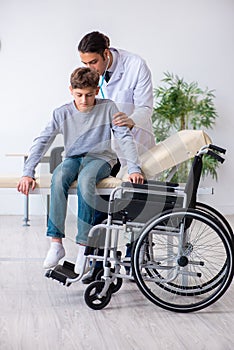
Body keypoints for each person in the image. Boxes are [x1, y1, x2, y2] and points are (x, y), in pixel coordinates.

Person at [17, 67, 144, 275]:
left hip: (101, 158)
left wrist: (134, 168)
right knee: (58, 178)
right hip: (73, 157)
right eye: (79, 95)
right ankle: (56, 244)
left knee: (86, 181)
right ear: (71, 90)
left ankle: (84, 248)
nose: (84, 100)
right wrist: (27, 171)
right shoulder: (62, 112)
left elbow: (124, 137)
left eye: (89, 95)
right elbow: (42, 141)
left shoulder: (108, 108)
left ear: (97, 90)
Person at [78, 31, 156, 157]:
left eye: (93, 62)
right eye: (85, 63)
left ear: (106, 53)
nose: (89, 68)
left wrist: (131, 121)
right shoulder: (89, 71)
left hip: (136, 142)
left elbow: (145, 108)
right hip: (108, 148)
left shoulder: (136, 65)